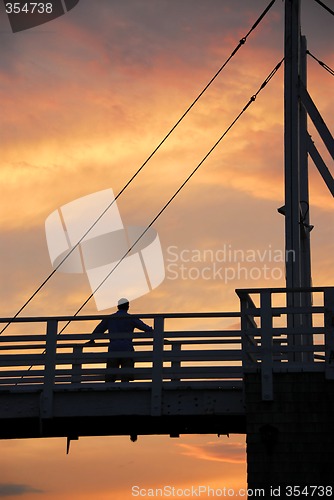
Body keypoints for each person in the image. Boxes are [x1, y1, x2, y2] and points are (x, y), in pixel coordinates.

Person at [88, 298, 153, 382]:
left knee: (110, 375)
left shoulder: (110, 318)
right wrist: (158, 335)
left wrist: (92, 339)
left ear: (118, 306)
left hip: (113, 348)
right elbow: (146, 328)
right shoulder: (131, 318)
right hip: (127, 348)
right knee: (126, 375)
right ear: (127, 307)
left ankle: (109, 389)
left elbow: (99, 330)